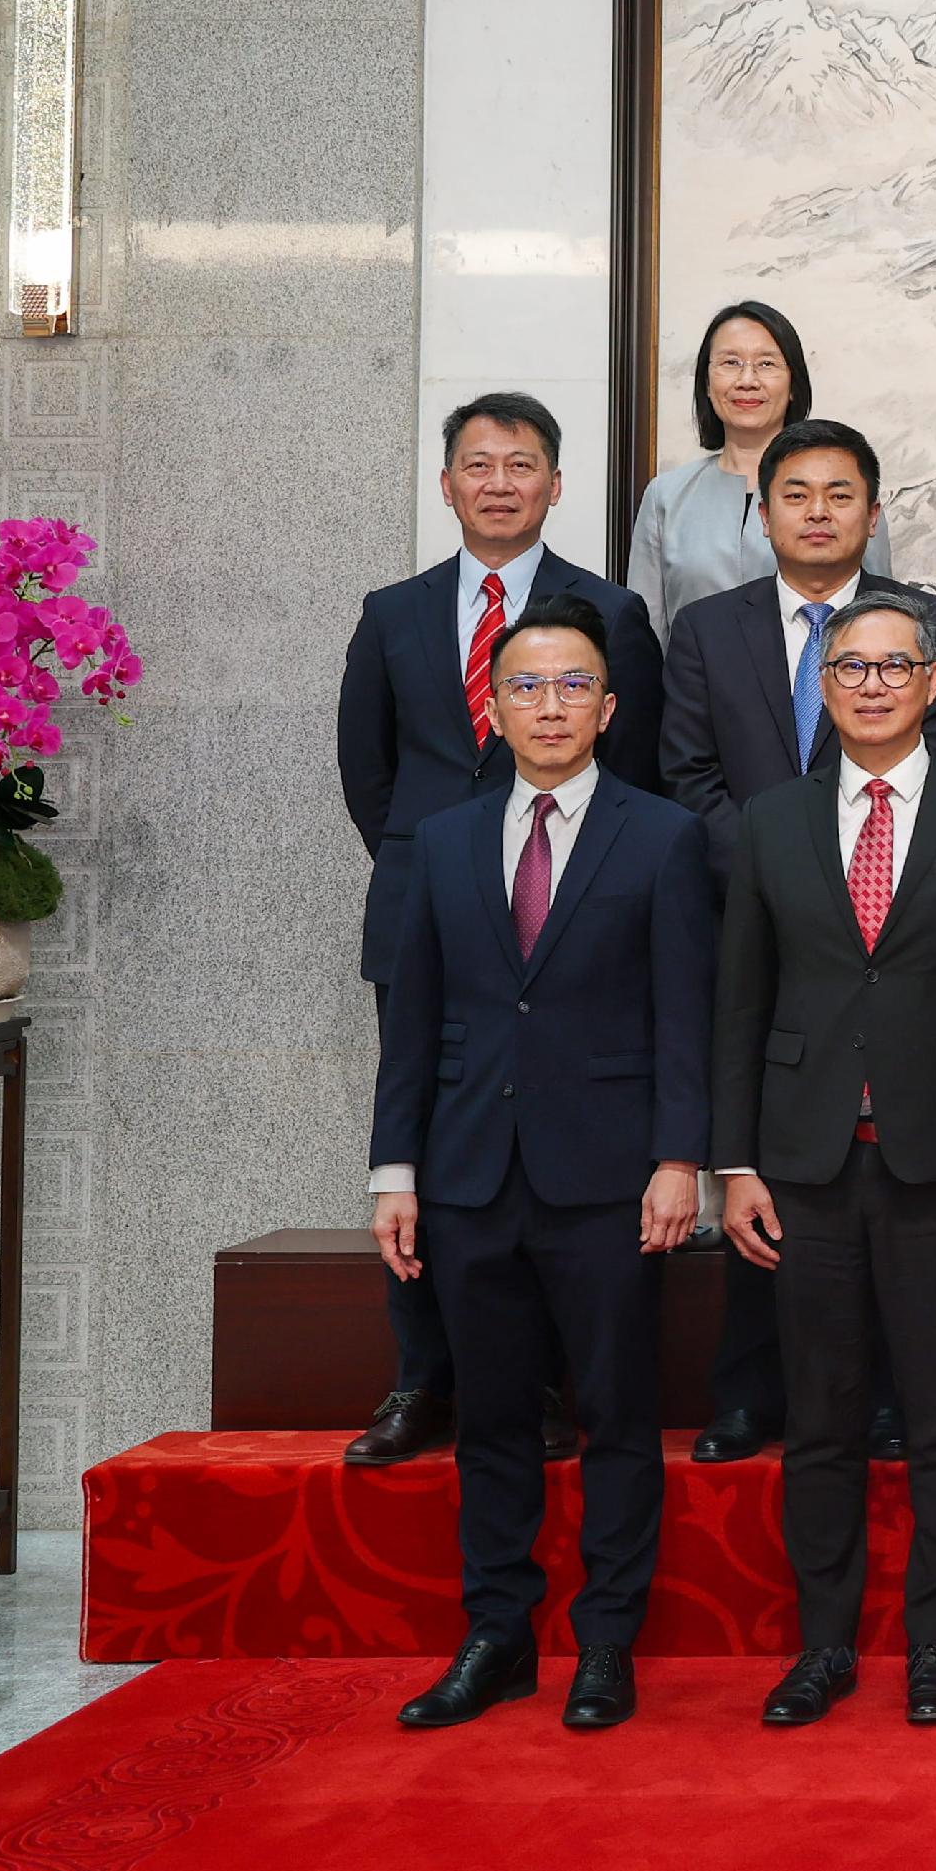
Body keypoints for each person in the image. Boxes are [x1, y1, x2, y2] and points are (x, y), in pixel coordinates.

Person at [711, 595, 936, 1731]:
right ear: (823, 687)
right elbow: (739, 1003)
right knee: (818, 1421)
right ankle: (822, 1648)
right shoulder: (770, 818)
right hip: (803, 1165)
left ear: (932, 683)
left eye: (893, 666)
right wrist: (734, 1162)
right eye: (850, 667)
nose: (871, 685)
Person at [367, 598, 711, 1733]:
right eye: (526, 686)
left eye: (573, 686)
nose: (550, 705)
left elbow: (685, 1014)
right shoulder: (444, 840)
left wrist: (680, 1157)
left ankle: (606, 1639)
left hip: (610, 1176)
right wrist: (394, 1172)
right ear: (494, 708)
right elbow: (413, 1023)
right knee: (493, 1418)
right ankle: (498, 1636)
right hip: (467, 1174)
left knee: (616, 1413)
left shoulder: (662, 836)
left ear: (608, 710)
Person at [336, 390, 664, 1467]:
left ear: (556, 484)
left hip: (572, 927)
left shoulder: (611, 612)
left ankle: (545, 1381)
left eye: (521, 465)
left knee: (556, 1144)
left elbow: (636, 768)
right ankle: (424, 1375)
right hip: (433, 917)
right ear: (447, 485)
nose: (499, 482)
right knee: (431, 1142)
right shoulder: (393, 612)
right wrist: (440, 871)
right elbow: (368, 773)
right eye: (478, 464)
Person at [657, 417, 936, 1464]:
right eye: (796, 494)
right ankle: (751, 1391)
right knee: (771, 1160)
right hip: (753, 933)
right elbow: (686, 776)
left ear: (874, 513)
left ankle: (882, 1394)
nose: (819, 512)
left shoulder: (929, 627)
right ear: (763, 514)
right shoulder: (708, 629)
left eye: (841, 494)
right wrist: (784, 878)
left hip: (895, 939)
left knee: (878, 1176)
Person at [629, 302, 810, 630]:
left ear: (794, 384)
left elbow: (878, 616)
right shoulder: (666, 496)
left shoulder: (842, 491)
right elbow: (647, 633)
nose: (747, 380)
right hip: (692, 666)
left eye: (766, 363)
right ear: (706, 384)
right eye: (731, 363)